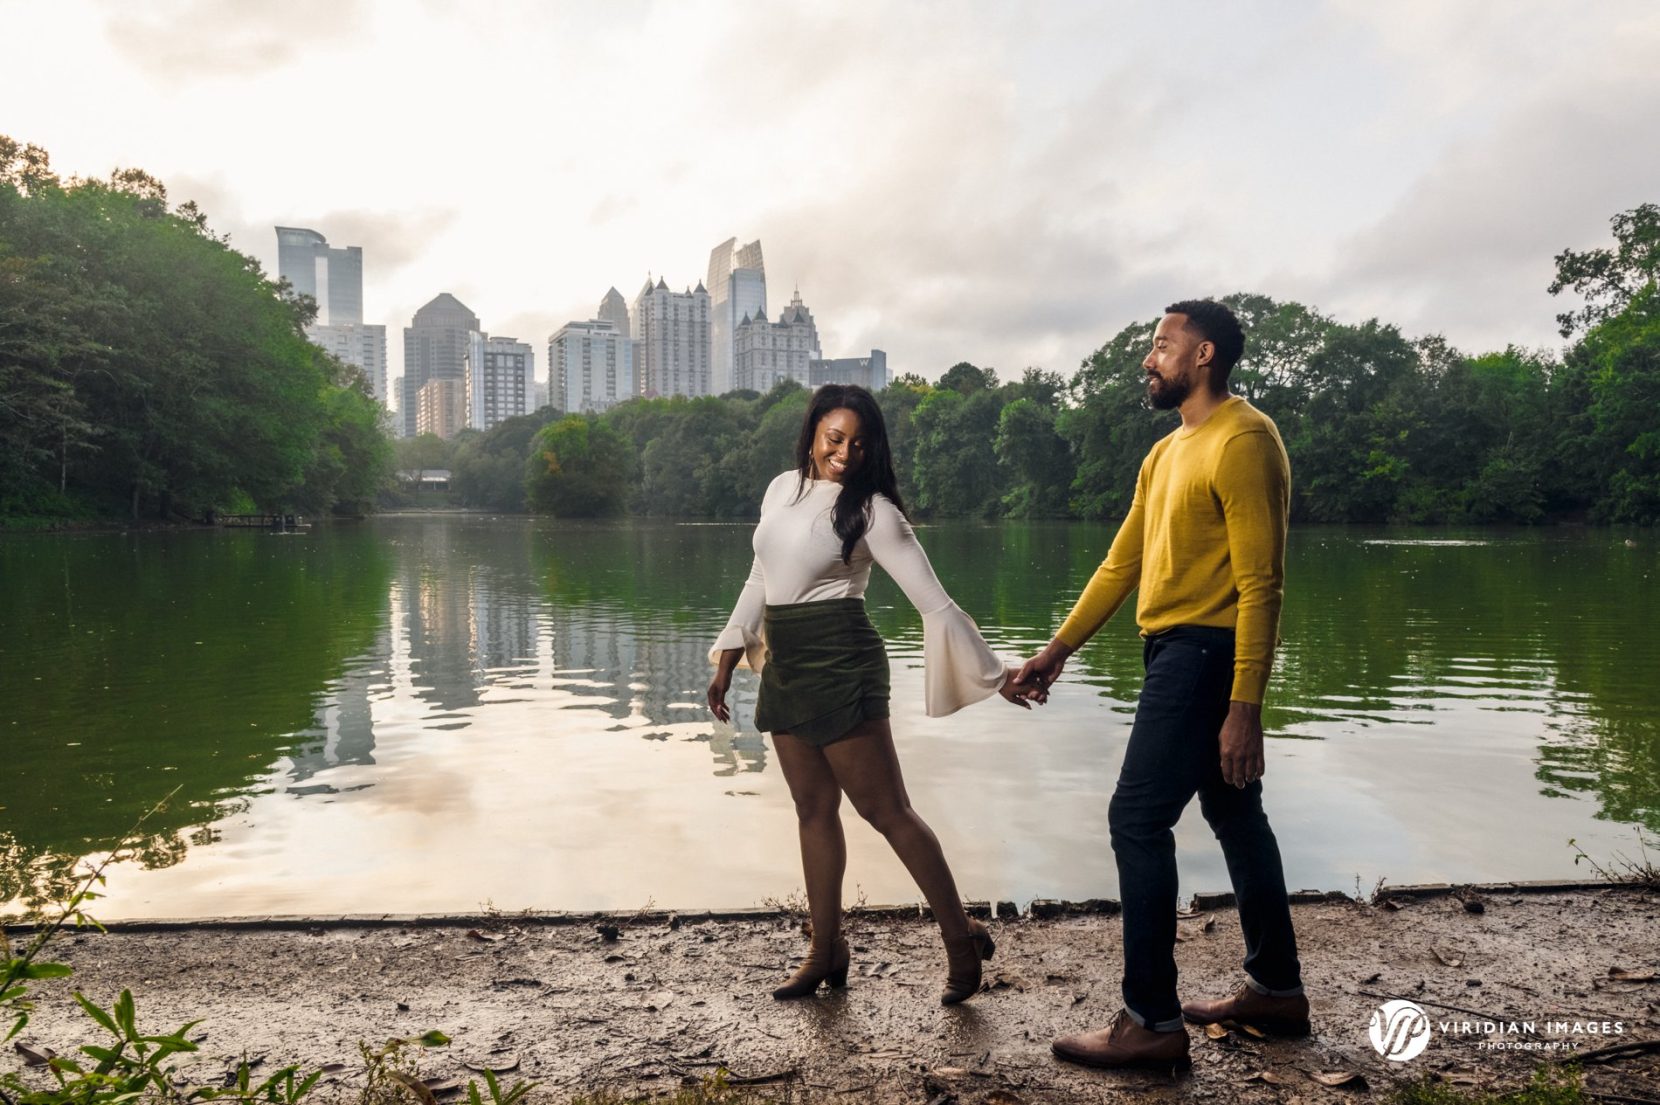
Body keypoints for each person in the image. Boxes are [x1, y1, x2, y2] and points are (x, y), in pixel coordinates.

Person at [1019, 300, 1307, 1070]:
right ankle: (1276, 989)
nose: (1148, 359)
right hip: (1171, 651)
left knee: (1137, 818)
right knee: (1235, 815)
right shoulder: (1166, 453)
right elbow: (1122, 563)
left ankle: (1150, 1017)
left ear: (1203, 354)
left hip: (1206, 655)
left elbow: (1261, 583)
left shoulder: (1245, 439)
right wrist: (1057, 650)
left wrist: (1246, 705)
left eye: (1161, 346)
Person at [707, 384, 1035, 1005]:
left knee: (887, 812)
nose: (845, 453)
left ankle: (961, 943)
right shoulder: (781, 489)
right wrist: (726, 658)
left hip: (843, 662)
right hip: (788, 662)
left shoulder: (874, 513)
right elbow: (761, 575)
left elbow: (935, 604)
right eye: (835, 439)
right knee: (812, 812)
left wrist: (998, 677)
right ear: (812, 434)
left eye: (860, 444)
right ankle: (825, 949)